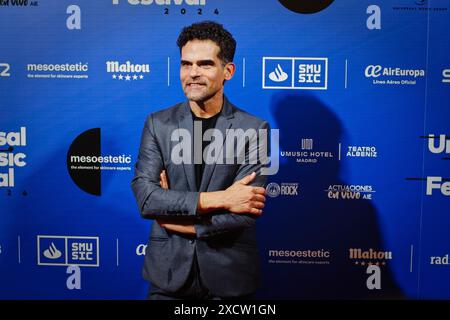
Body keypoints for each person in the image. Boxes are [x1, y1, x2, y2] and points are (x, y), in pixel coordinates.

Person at [131, 21, 270, 300]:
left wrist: (175, 221)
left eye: (205, 64)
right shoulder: (158, 124)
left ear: (227, 71)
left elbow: (243, 215)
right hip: (168, 278)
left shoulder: (256, 130)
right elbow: (147, 199)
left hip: (229, 279)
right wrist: (222, 198)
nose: (192, 74)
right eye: (186, 64)